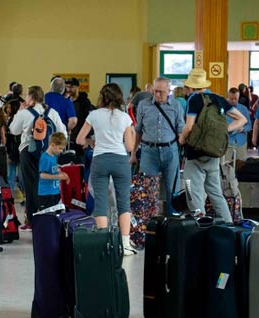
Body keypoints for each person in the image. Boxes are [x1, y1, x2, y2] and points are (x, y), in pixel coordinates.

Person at [76, 83, 137, 256]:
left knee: (101, 202)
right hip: (120, 160)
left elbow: (80, 139)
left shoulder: (93, 115)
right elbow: (130, 146)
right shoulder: (125, 117)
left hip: (100, 159)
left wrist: (91, 142)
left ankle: (105, 243)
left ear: (102, 97)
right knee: (124, 202)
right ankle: (125, 245)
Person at [179, 68, 246, 222]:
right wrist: (223, 131)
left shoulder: (193, 99)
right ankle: (229, 226)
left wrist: (182, 139)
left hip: (194, 156)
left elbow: (189, 127)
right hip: (214, 155)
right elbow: (242, 119)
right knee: (215, 193)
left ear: (191, 86)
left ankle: (200, 225)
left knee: (192, 192)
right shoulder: (218, 98)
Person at [9, 85, 66, 230]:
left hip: (28, 151)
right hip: (48, 152)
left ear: (32, 97)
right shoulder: (52, 112)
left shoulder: (25, 113)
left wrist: (19, 112)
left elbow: (13, 130)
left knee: (30, 185)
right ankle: (50, 216)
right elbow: (63, 131)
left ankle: (32, 220)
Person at [132, 76, 185, 215]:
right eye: (155, 91)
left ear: (169, 91)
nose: (157, 94)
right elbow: (138, 131)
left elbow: (181, 130)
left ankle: (172, 223)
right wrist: (133, 153)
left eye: (161, 92)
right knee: (147, 190)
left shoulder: (176, 106)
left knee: (173, 190)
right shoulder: (144, 105)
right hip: (149, 151)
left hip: (170, 150)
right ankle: (148, 224)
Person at [38, 132, 70, 210]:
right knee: (48, 217)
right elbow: (42, 175)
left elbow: (53, 169)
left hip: (55, 191)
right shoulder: (45, 158)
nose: (61, 151)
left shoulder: (54, 156)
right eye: (60, 148)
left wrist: (60, 172)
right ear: (52, 145)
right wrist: (57, 176)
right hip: (46, 193)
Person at [66, 77, 94, 159]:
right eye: (67, 87)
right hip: (69, 138)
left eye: (71, 87)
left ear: (77, 87)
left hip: (82, 138)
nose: (69, 89)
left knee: (81, 162)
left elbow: (89, 121)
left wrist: (87, 137)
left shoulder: (85, 102)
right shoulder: (67, 101)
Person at [226, 87, 251, 159]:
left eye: (235, 99)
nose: (233, 101)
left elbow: (249, 125)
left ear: (238, 97)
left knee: (241, 165)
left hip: (241, 141)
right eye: (231, 99)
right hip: (227, 141)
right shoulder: (223, 108)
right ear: (228, 97)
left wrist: (243, 128)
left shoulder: (244, 109)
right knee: (224, 166)